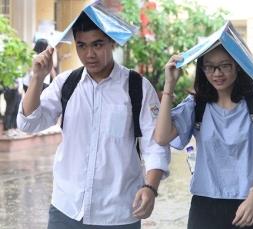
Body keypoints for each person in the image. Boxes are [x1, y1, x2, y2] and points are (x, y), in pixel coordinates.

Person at [17, 8, 170, 229]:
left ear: (112, 43)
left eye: (97, 44)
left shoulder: (137, 87)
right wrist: (38, 78)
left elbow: (155, 145)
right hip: (66, 208)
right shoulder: (65, 83)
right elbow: (29, 123)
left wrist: (150, 188)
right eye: (82, 45)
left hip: (118, 213)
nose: (89, 54)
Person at [154, 45, 253, 229]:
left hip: (250, 202)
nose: (216, 73)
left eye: (224, 65)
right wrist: (169, 85)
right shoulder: (197, 104)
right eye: (209, 67)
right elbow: (162, 137)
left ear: (237, 65)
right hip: (205, 206)